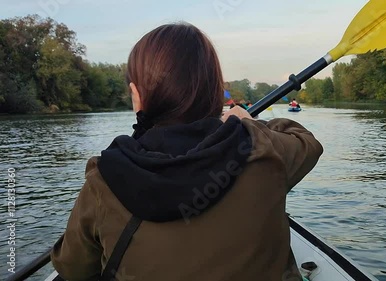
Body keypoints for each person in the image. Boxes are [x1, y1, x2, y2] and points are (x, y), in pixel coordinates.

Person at [51, 22, 323, 281]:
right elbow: (307, 142)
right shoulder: (263, 149)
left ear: (136, 95)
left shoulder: (103, 179)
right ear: (216, 91)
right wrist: (248, 122)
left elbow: (72, 269)